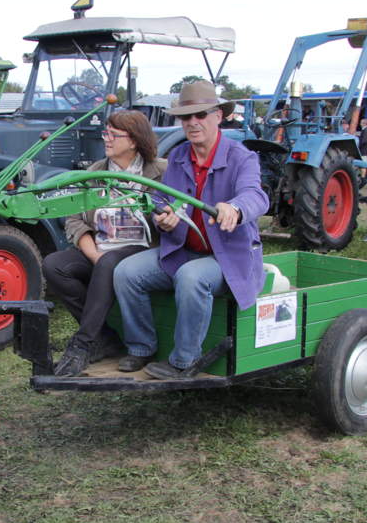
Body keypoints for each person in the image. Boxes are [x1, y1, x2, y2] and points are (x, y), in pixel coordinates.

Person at [113, 81, 269, 380]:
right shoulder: (179, 155)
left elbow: (256, 196)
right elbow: (162, 199)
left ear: (218, 116)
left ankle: (185, 361)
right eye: (186, 116)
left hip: (226, 259)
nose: (193, 122)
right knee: (126, 273)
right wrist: (163, 215)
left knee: (191, 276)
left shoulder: (241, 157)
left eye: (201, 114)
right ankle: (142, 347)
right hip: (183, 250)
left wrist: (235, 208)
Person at [42, 110, 167, 376]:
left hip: (141, 249)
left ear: (133, 140)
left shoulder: (160, 171)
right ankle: (105, 337)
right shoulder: (94, 172)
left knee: (109, 263)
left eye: (113, 135)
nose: (106, 139)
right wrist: (94, 255)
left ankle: (82, 344)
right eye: (105, 133)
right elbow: (74, 219)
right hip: (102, 249)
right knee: (54, 265)